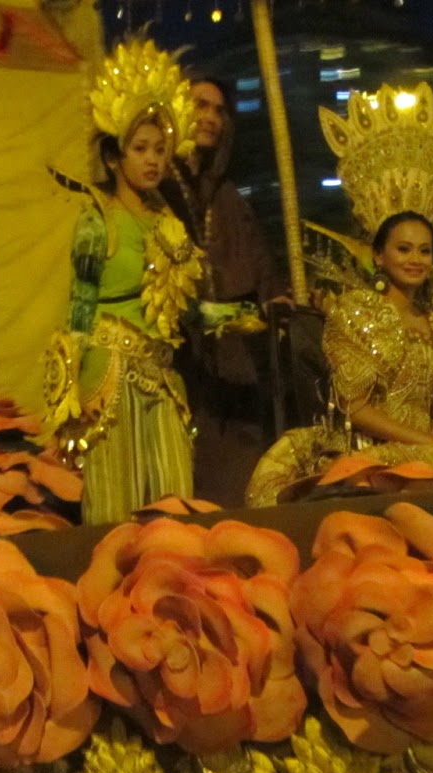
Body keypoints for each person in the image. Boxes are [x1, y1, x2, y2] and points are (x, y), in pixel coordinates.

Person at [244, 84, 433, 506]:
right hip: (371, 450)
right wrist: (430, 444)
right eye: (403, 249)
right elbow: (355, 409)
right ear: (379, 255)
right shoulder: (356, 313)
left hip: (429, 447)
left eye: (424, 250)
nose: (415, 260)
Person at [42, 41, 210, 525]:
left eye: (160, 150)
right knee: (115, 515)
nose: (153, 160)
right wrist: (68, 398)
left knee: (175, 514)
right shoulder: (98, 220)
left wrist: (246, 315)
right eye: (140, 149)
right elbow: (80, 305)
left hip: (164, 377)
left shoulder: (171, 226)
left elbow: (189, 312)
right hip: (111, 375)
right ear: (116, 156)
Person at [162, 76, 282, 507]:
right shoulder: (159, 191)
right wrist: (241, 316)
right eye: (200, 106)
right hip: (176, 374)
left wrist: (280, 310)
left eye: (219, 110)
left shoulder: (230, 199)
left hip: (235, 383)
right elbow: (176, 308)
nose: (211, 117)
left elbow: (267, 285)